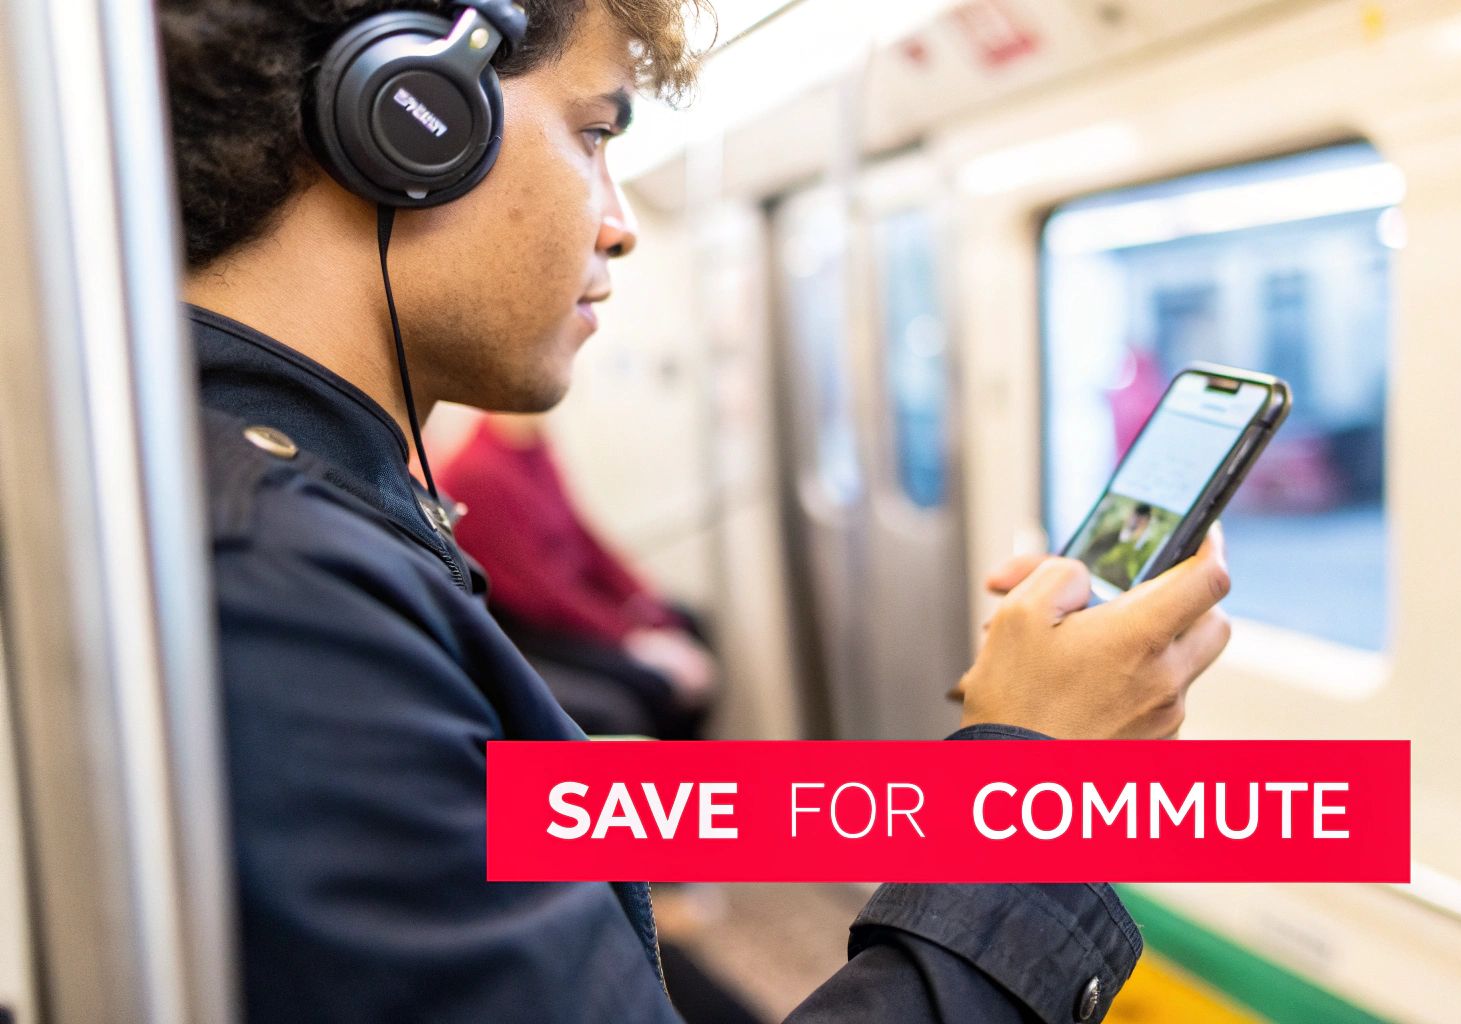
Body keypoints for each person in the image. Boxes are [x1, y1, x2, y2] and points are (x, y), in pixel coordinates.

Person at [162, 1, 1236, 1022]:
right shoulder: (281, 593)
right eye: (591, 133)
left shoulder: (263, 506)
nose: (620, 226)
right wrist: (1036, 778)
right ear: (410, 118)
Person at [438, 413, 718, 738]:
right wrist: (629, 637)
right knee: (646, 690)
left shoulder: (532, 448)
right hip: (535, 628)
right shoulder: (477, 473)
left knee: (686, 620)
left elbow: (585, 540)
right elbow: (542, 595)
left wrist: (645, 604)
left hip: (564, 604)